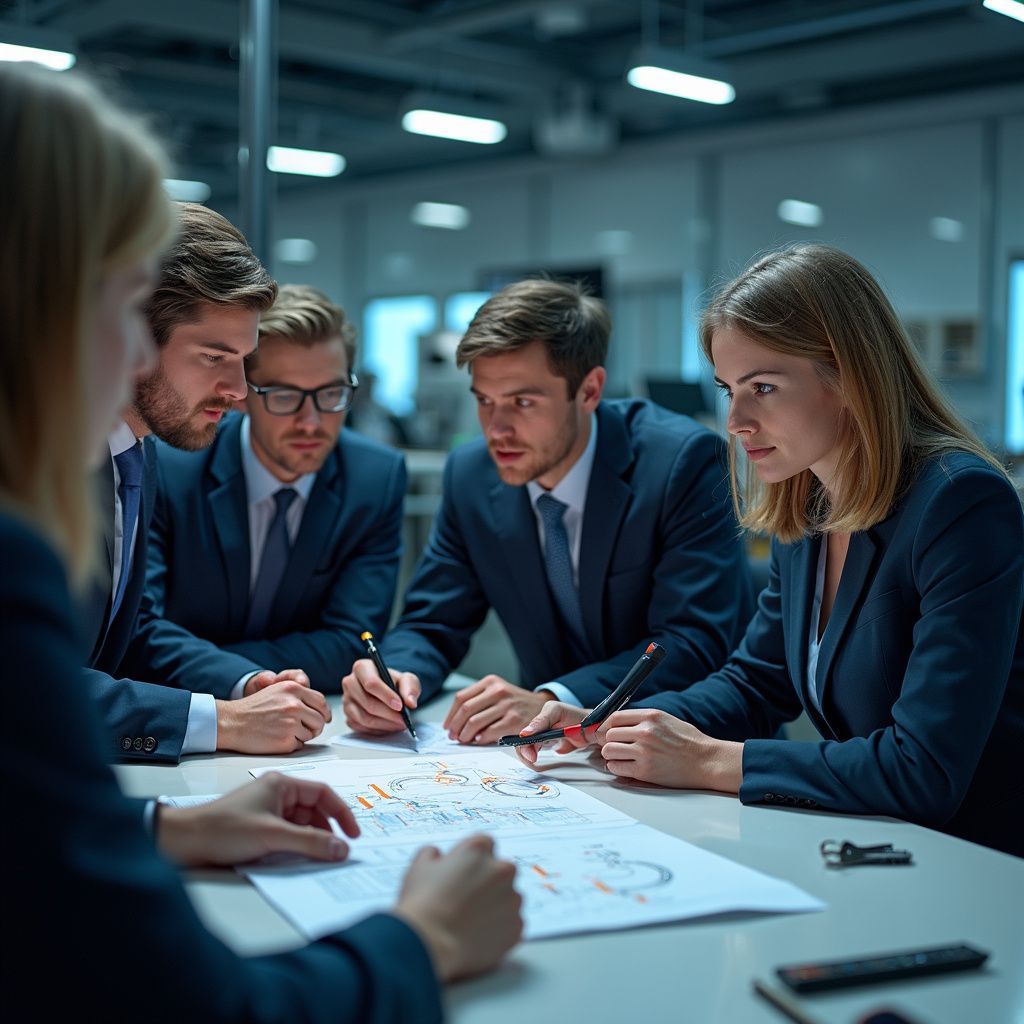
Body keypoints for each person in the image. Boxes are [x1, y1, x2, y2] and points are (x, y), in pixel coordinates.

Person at [0, 62, 521, 1021]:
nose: (244, 397)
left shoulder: (132, 461)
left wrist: (164, 826)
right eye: (120, 309)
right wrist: (424, 941)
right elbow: (194, 1000)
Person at [517, 245, 1024, 858]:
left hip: (979, 862)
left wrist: (710, 760)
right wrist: (602, 722)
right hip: (881, 842)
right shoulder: (811, 499)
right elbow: (756, 684)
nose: (735, 420)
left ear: (849, 377)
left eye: (763, 387)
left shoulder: (960, 503)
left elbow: (923, 769)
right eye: (729, 389)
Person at [343, 279, 755, 745]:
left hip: (686, 746)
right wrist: (396, 674)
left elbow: (692, 643)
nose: (496, 429)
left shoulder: (681, 463)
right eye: (484, 400)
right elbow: (433, 621)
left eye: (522, 402)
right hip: (549, 761)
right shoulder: (473, 473)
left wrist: (553, 697)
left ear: (589, 390)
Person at [82, 204, 335, 762]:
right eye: (215, 356)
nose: (241, 389)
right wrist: (219, 722)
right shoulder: (28, 466)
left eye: (244, 358)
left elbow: (133, 630)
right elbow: (24, 685)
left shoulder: (136, 454)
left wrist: (247, 686)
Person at [133, 284, 405, 705]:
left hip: (310, 721)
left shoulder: (373, 478)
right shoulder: (169, 466)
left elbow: (354, 640)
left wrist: (231, 670)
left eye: (331, 394)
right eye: (284, 396)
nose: (311, 423)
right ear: (241, 395)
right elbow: (141, 629)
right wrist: (243, 680)